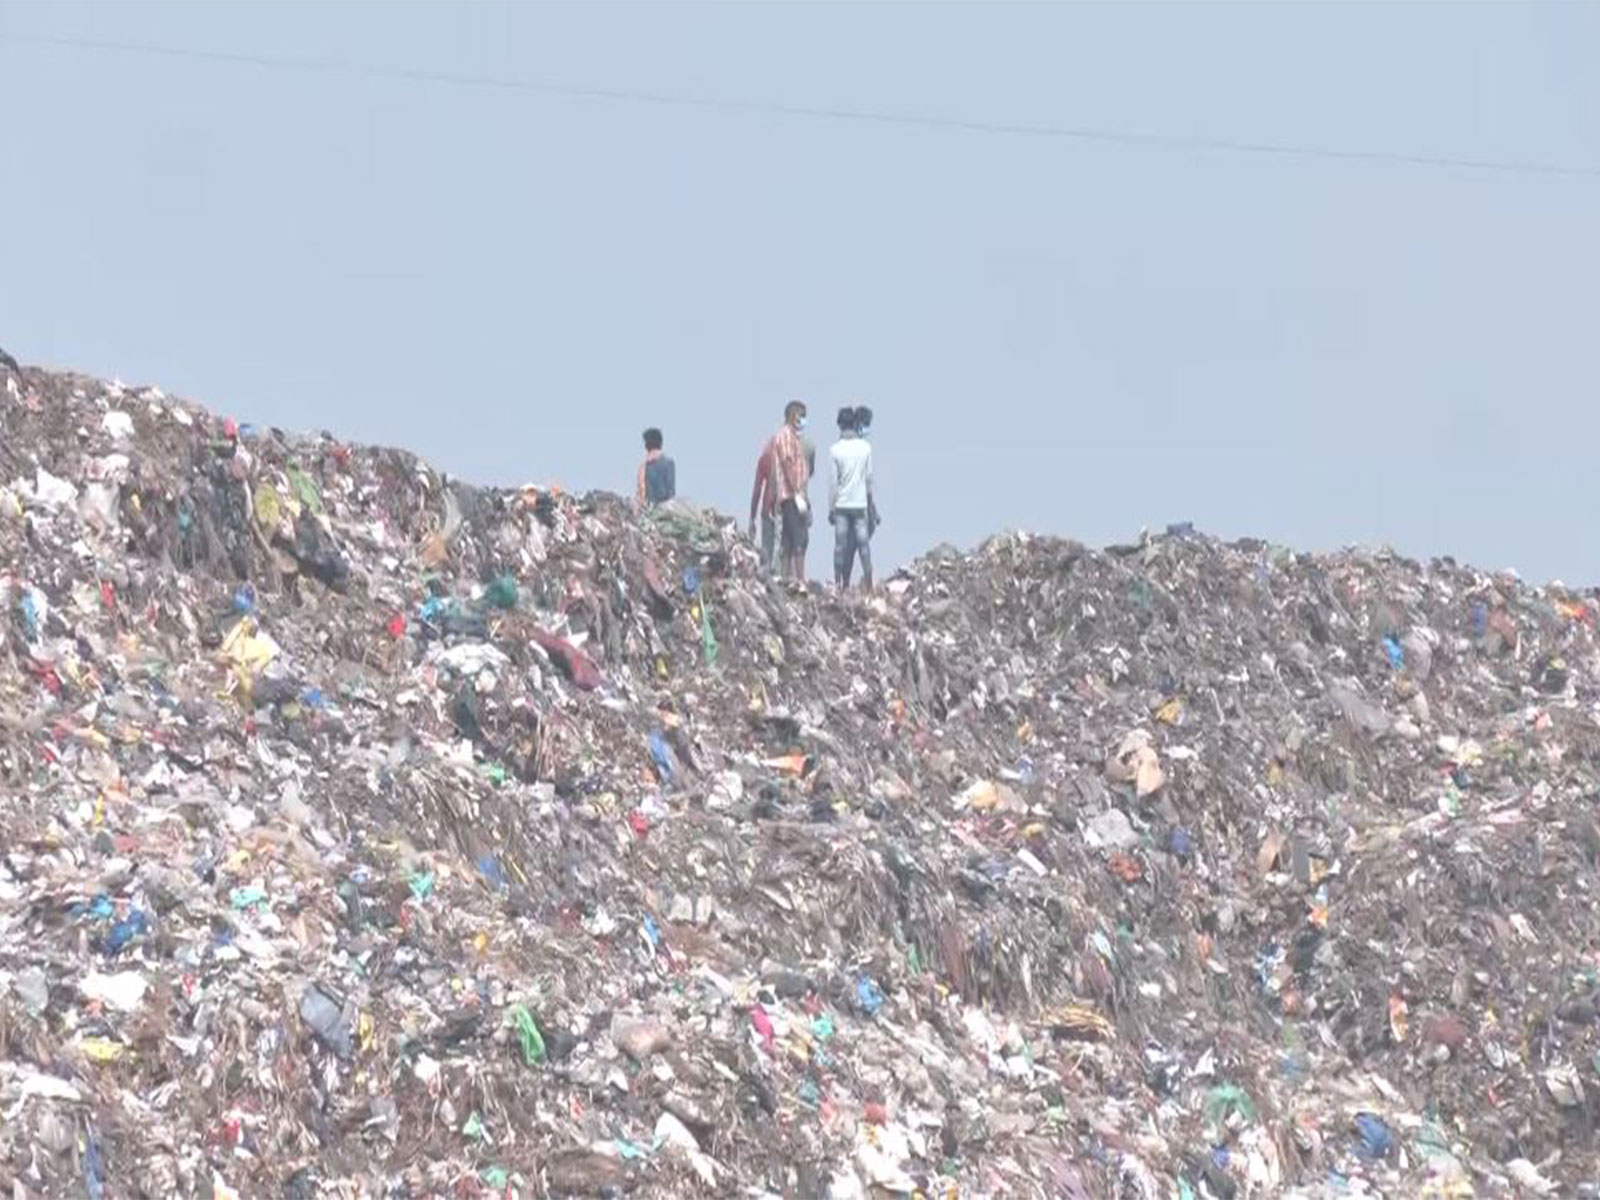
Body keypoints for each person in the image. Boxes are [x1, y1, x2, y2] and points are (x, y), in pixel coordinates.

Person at [828, 405, 874, 589]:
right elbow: (869, 479)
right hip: (860, 504)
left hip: (842, 506)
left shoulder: (835, 450)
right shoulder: (865, 448)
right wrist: (869, 505)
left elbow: (833, 483)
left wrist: (831, 508)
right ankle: (869, 580)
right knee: (863, 544)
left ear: (840, 425)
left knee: (840, 546)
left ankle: (839, 583)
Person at [636, 428, 676, 508]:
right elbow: (671, 492)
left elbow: (641, 493)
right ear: (661, 443)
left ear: (647, 446)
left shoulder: (643, 466)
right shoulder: (669, 463)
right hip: (667, 508)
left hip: (650, 509)